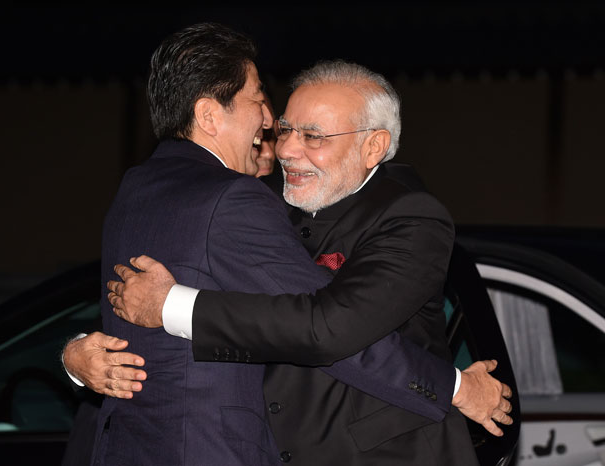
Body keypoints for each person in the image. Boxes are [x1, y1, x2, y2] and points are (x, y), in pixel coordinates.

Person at [63, 35, 512, 465]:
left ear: (373, 145)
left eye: (313, 136)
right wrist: (77, 351)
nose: (286, 148)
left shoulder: (410, 217)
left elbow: (328, 328)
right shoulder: (256, 196)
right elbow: (173, 263)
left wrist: (453, 387)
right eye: (286, 128)